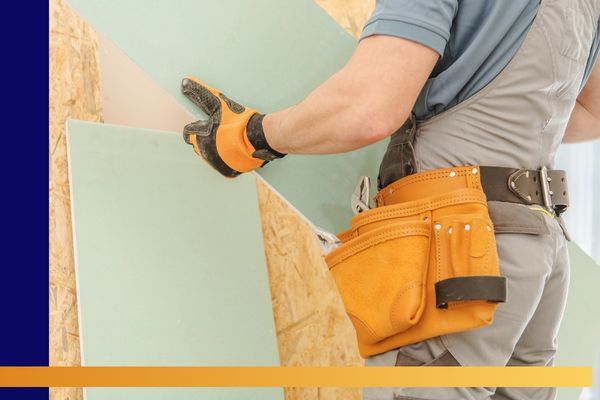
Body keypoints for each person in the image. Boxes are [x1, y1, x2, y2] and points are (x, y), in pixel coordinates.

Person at [181, 0, 600, 399]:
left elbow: (371, 108)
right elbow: (591, 112)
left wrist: (253, 137)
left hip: (459, 254)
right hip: (536, 253)